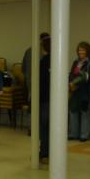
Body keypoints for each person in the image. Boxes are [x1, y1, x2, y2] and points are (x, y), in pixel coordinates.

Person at [68, 41, 90, 142]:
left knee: (84, 112)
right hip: (74, 90)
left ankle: (84, 135)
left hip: (84, 90)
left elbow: (89, 77)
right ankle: (73, 133)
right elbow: (71, 74)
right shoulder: (75, 62)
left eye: (83, 50)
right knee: (73, 111)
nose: (81, 52)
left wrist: (75, 83)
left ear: (88, 51)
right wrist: (71, 83)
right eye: (79, 50)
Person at [38, 35, 51, 165]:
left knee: (44, 128)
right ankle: (51, 153)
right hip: (55, 100)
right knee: (52, 128)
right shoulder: (57, 61)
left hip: (44, 99)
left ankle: (44, 153)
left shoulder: (43, 62)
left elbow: (40, 82)